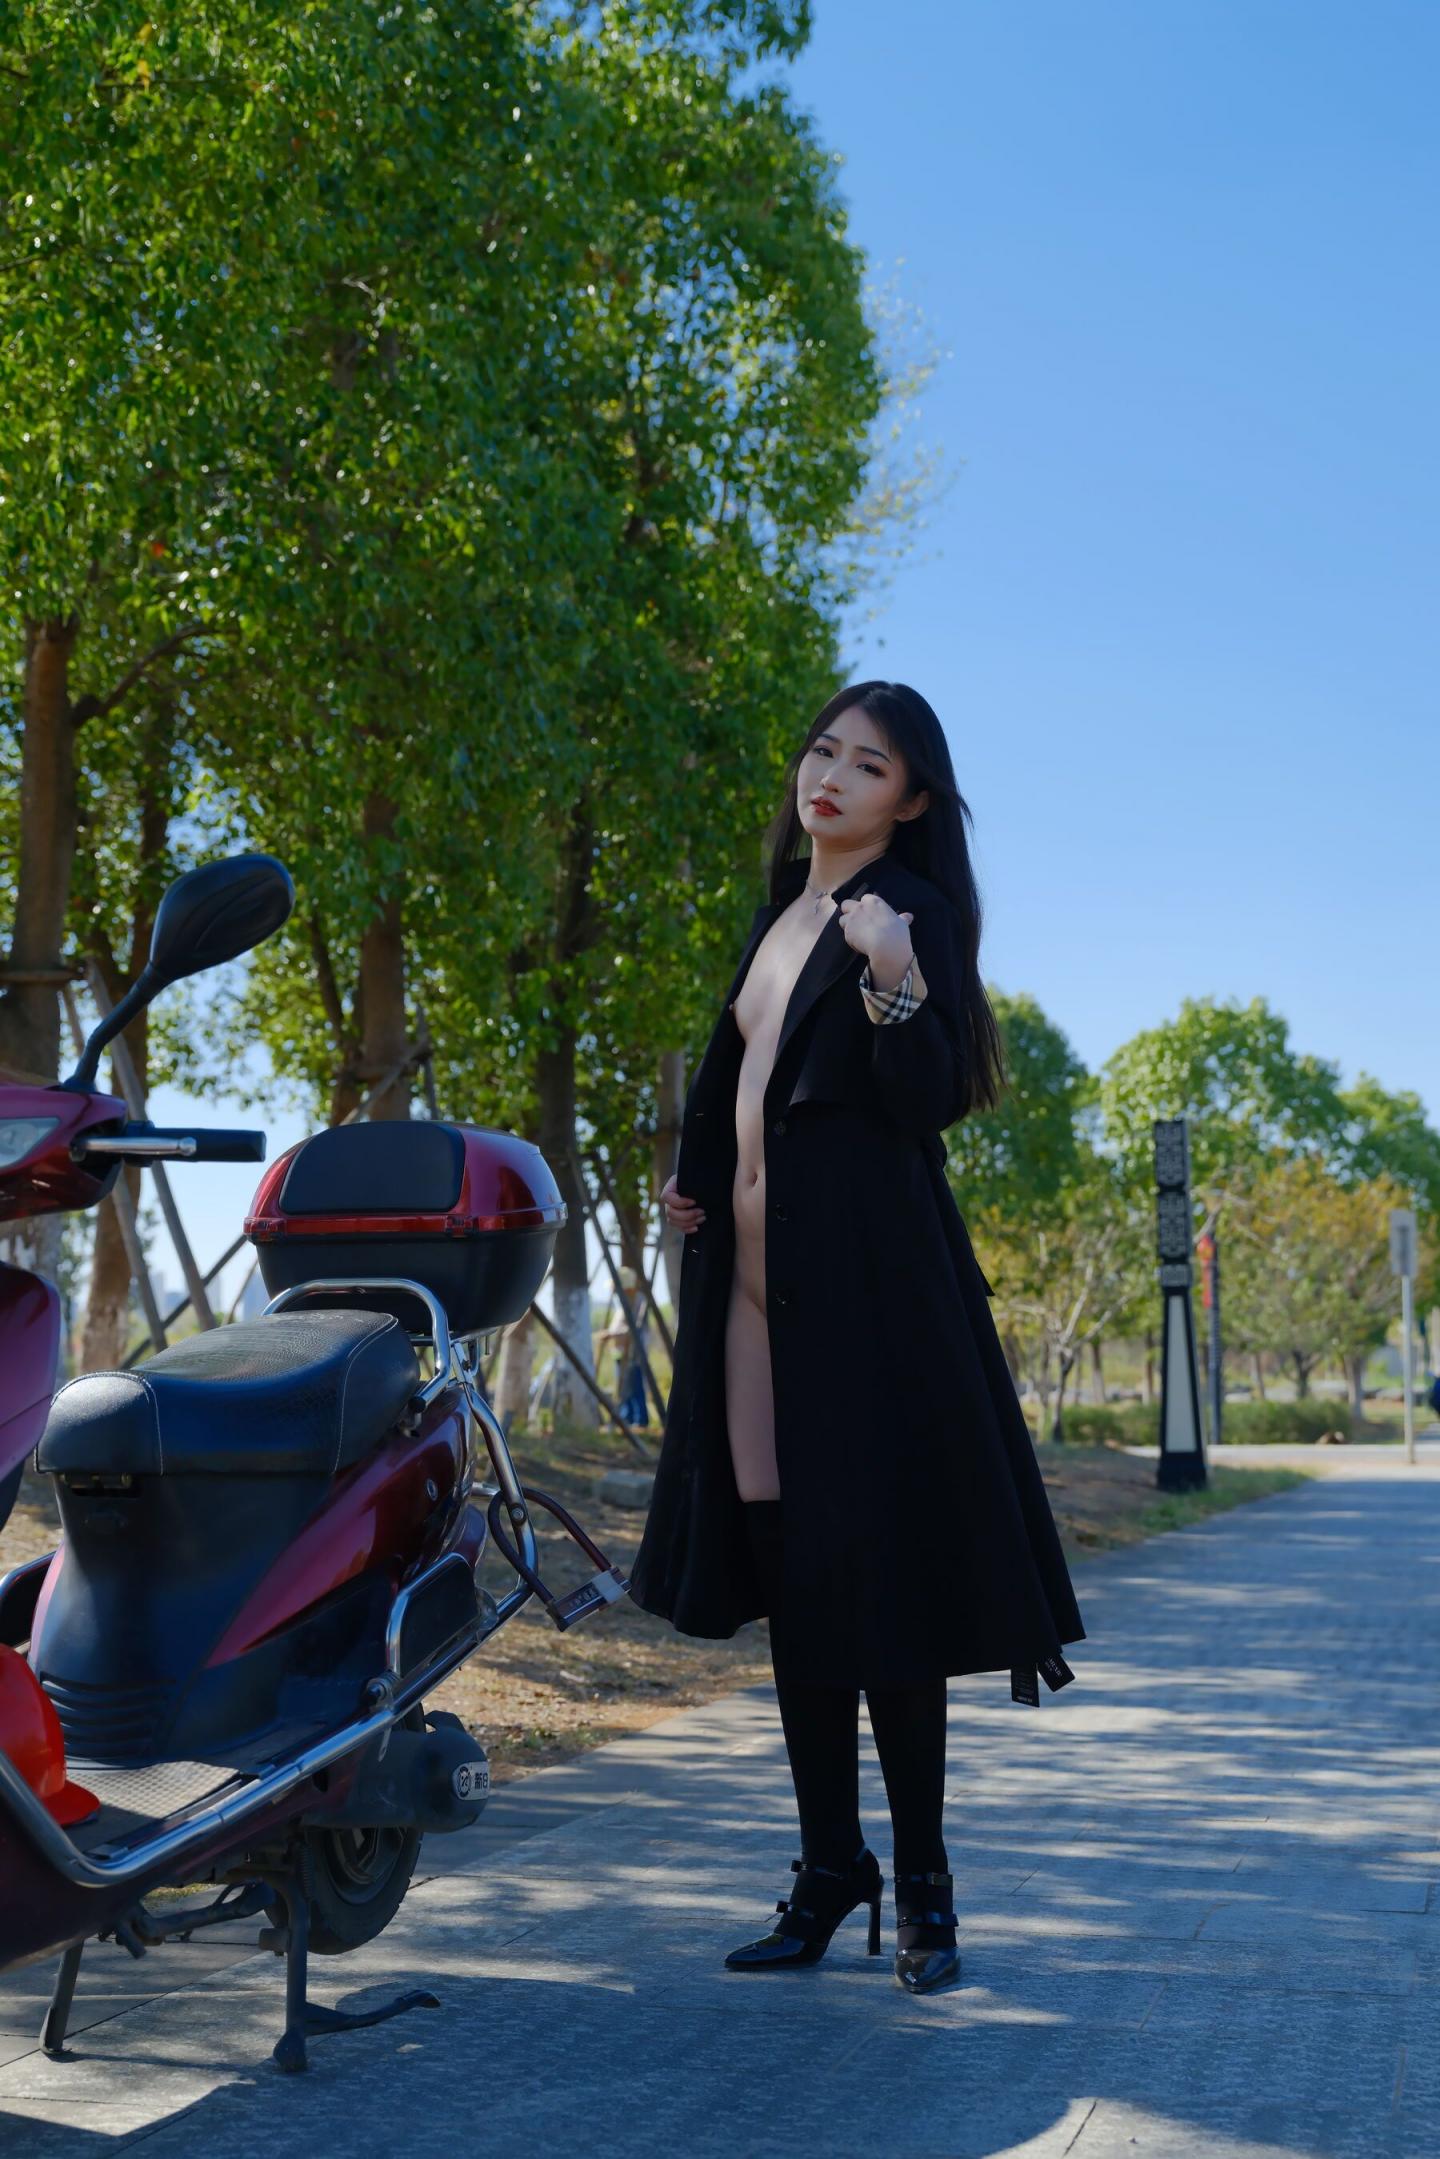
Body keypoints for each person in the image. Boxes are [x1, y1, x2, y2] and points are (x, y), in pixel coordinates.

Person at [628, 681, 1086, 1995]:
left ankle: (926, 1884)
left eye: (867, 764)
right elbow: (744, 1088)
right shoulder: (779, 916)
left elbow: (925, 1098)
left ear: (913, 799)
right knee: (797, 1582)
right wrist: (695, 1184)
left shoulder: (911, 912)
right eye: (822, 750)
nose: (828, 776)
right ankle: (832, 1865)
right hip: (750, 1297)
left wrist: (891, 974)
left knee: (877, 1588)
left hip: (871, 1299)